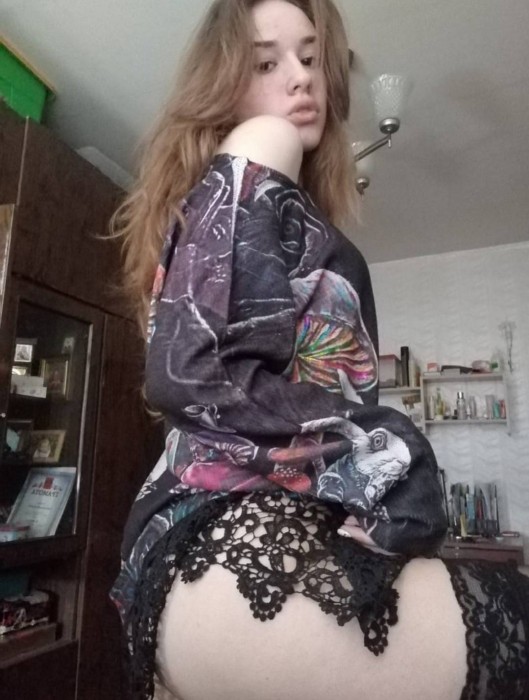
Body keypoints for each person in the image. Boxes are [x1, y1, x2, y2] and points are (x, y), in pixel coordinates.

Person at [110, 1, 529, 699]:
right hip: (235, 532)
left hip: (216, 553)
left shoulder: (266, 199)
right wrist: (390, 449)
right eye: (265, 62)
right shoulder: (265, 137)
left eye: (310, 58)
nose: (300, 77)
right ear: (222, 85)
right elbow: (196, 369)